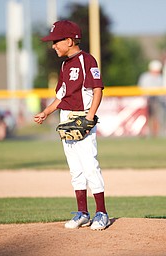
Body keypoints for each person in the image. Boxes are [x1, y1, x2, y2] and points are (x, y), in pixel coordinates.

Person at [34, 20, 110, 230]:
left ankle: (102, 212)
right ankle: (82, 213)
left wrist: (90, 117)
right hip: (66, 119)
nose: (53, 46)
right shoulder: (65, 64)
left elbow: (97, 89)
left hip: (82, 117)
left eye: (56, 41)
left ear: (69, 40)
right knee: (75, 169)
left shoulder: (87, 60)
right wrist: (46, 112)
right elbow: (61, 96)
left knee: (89, 165)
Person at [138, 60, 166, 136]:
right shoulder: (145, 77)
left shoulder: (161, 78)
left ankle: (155, 134)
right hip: (146, 100)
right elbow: (141, 88)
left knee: (156, 117)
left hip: (157, 100)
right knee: (145, 117)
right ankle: (144, 133)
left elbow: (164, 90)